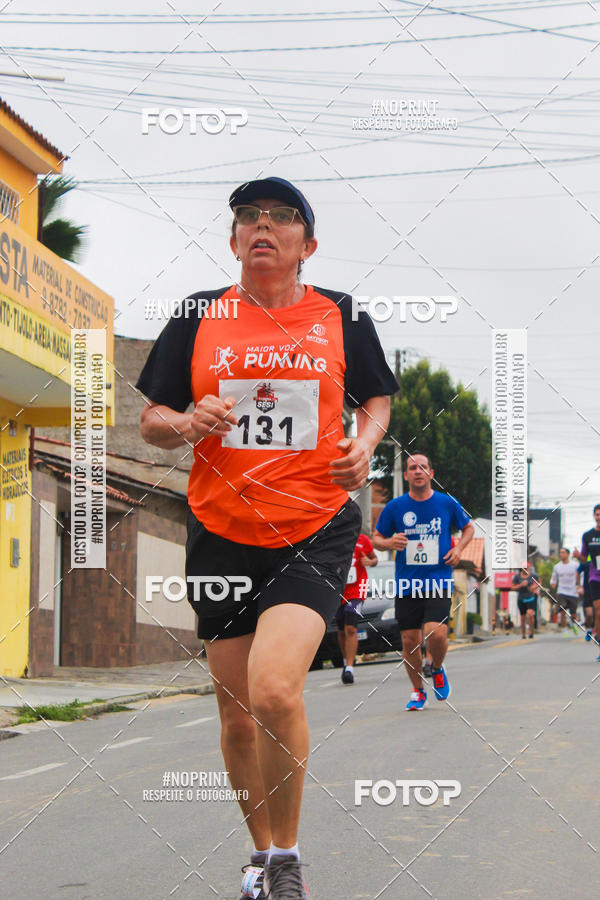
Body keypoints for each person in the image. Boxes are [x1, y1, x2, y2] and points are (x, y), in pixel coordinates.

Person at [136, 176, 398, 900]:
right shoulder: (198, 317)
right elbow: (152, 418)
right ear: (232, 240)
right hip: (221, 531)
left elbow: (375, 396)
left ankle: (286, 859)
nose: (262, 224)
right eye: (248, 215)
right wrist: (187, 423)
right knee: (235, 714)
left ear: (305, 245)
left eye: (281, 217)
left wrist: (366, 441)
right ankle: (259, 855)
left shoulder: (341, 316)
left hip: (312, 527)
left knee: (276, 689)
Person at [372, 452, 474, 710]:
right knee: (409, 640)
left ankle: (436, 668)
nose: (418, 471)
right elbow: (376, 537)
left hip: (438, 579)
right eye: (412, 468)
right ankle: (418, 690)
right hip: (407, 583)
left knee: (435, 631)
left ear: (431, 473)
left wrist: (459, 549)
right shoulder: (395, 507)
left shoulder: (446, 503)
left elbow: (469, 528)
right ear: (405, 475)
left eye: (422, 467)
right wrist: (389, 542)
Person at [336, 533, 378, 684]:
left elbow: (375, 559)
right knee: (341, 631)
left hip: (357, 590)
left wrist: (369, 561)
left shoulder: (362, 540)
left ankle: (349, 668)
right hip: (338, 590)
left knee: (351, 628)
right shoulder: (334, 538)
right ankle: (346, 659)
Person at [574, 504, 600, 661]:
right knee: (598, 609)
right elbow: (584, 557)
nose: (599, 517)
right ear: (594, 516)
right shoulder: (587, 536)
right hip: (595, 576)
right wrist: (578, 556)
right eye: (597, 514)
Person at [550, 548, 580, 635]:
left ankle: (573, 625)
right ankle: (565, 630)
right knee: (562, 610)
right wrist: (553, 583)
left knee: (573, 614)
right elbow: (553, 579)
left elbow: (581, 576)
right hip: (561, 591)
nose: (561, 554)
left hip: (573, 592)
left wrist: (579, 586)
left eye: (563, 552)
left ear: (568, 554)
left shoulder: (575, 565)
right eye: (560, 552)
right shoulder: (557, 567)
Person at [512, 566, 538, 639]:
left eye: (526, 568)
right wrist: (521, 585)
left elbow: (539, 583)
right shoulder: (517, 577)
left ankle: (531, 631)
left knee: (530, 614)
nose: (525, 570)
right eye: (523, 569)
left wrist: (534, 587)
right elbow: (512, 587)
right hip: (521, 598)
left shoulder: (533, 575)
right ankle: (523, 634)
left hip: (531, 597)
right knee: (523, 617)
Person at [577, 559, 595, 641]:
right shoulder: (586, 562)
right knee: (589, 614)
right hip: (588, 591)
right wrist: (579, 586)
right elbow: (577, 572)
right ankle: (589, 630)